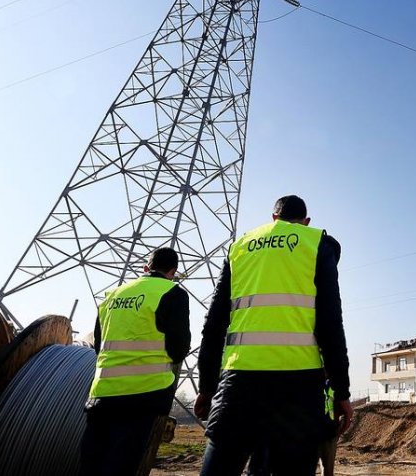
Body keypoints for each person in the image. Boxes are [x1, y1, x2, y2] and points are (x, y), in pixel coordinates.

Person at [195, 194, 352, 476]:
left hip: (239, 381)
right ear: (306, 222)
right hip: (299, 386)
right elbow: (330, 323)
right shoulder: (316, 243)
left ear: (273, 218)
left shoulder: (240, 246)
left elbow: (215, 324)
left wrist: (207, 386)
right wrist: (341, 390)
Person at [79, 247, 190, 476]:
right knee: (121, 466)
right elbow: (178, 348)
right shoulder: (173, 293)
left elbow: (99, 345)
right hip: (145, 394)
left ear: (145, 268)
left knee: (91, 464)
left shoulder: (112, 295)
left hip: (103, 393)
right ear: (173, 272)